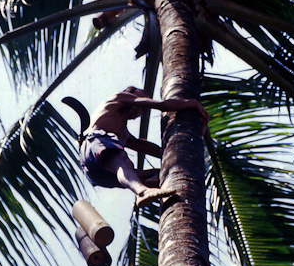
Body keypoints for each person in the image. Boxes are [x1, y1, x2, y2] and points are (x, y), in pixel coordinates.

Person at [79, 87, 208, 207]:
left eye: (142, 110)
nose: (139, 109)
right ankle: (142, 192)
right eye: (139, 101)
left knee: (163, 173)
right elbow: (162, 105)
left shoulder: (123, 134)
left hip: (100, 175)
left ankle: (146, 188)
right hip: (93, 143)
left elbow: (162, 152)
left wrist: (196, 136)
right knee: (123, 161)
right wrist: (192, 104)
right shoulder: (117, 99)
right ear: (129, 95)